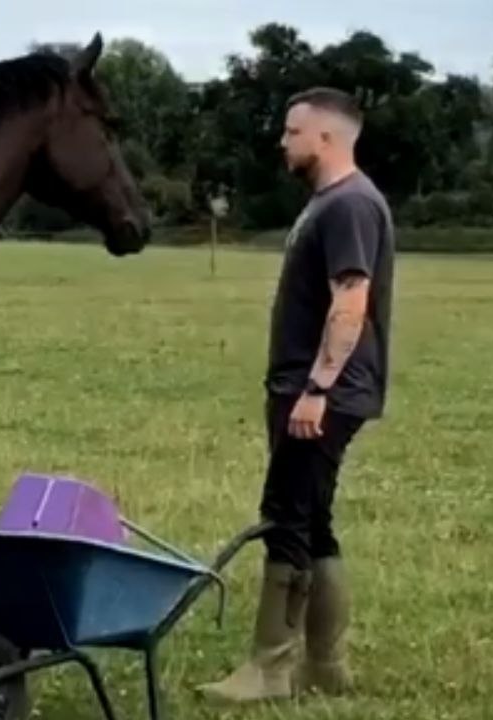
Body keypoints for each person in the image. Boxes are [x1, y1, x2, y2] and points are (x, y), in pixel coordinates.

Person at [197, 86, 395, 703]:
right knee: (313, 521)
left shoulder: (349, 206)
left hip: (320, 395)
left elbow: (351, 301)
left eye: (291, 131)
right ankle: (325, 668)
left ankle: (271, 668)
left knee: (286, 518)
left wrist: (315, 389)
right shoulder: (334, 202)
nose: (282, 141)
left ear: (327, 138)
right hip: (315, 390)